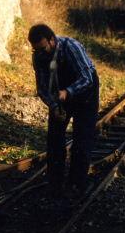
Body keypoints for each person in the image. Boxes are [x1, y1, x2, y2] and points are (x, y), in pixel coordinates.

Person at [28, 24, 99, 197]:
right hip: (60, 95)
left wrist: (68, 92)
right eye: (36, 50)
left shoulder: (71, 47)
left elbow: (87, 78)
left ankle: (77, 183)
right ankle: (55, 182)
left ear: (52, 40)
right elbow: (42, 88)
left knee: (82, 139)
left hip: (85, 92)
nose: (41, 53)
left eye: (43, 48)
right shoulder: (39, 56)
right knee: (54, 139)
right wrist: (54, 106)